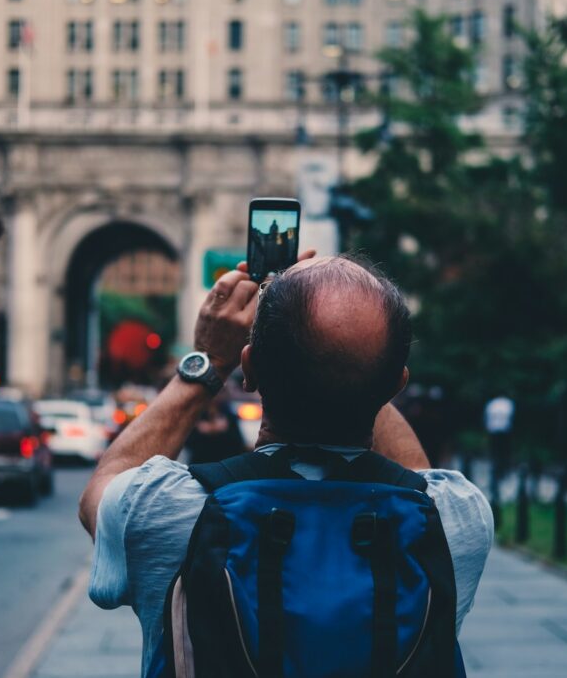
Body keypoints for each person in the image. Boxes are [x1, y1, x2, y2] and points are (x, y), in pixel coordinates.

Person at [79, 254, 494, 676]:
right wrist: (353, 357)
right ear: (396, 385)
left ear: (250, 368)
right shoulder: (455, 518)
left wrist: (208, 358)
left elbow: (102, 487)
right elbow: (417, 482)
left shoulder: (169, 510)